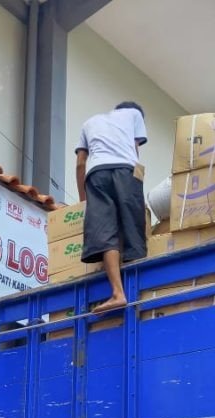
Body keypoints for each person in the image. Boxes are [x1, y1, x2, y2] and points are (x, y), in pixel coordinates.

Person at [75, 101, 148, 313]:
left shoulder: (89, 122)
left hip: (96, 174)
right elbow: (135, 152)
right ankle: (138, 290)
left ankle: (118, 293)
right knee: (133, 228)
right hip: (125, 171)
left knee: (106, 233)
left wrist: (84, 199)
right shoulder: (135, 114)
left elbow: (80, 164)